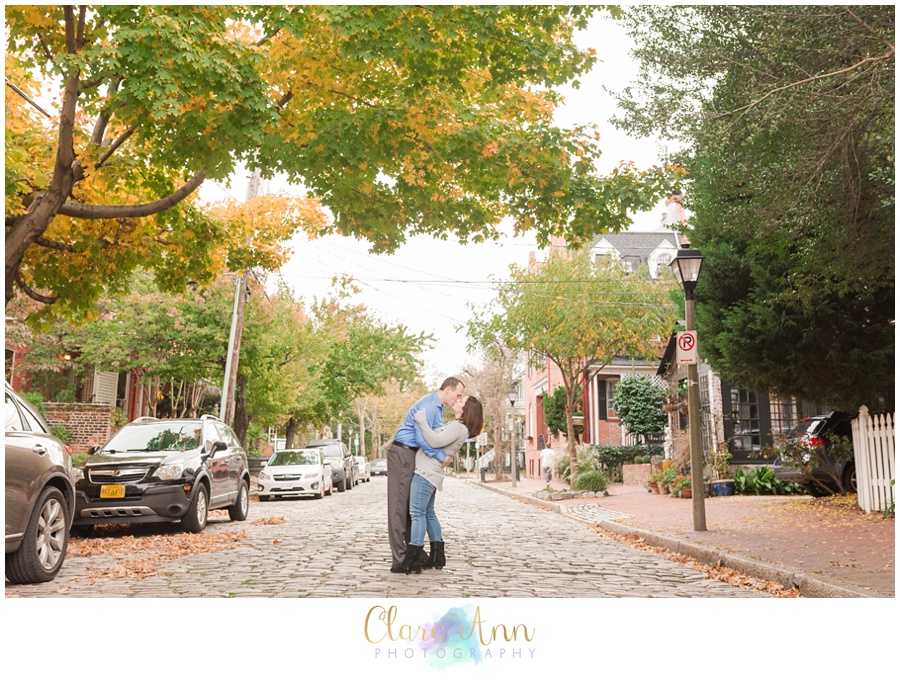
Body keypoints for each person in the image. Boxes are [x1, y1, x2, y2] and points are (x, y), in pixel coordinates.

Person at [387, 377, 465, 573]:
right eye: (458, 394)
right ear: (448, 389)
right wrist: (441, 457)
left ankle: (416, 555)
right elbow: (424, 439)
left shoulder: (438, 408)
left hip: (414, 455)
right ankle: (400, 560)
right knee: (399, 508)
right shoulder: (428, 406)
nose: (458, 398)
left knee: (414, 509)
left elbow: (438, 437)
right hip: (403, 452)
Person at [400, 395, 484, 574]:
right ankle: (438, 556)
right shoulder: (459, 427)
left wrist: (421, 421)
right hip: (431, 471)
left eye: (461, 401)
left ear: (466, 410)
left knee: (417, 513)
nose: (456, 401)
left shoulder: (458, 427)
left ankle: (412, 560)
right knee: (428, 513)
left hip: (425, 473)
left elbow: (435, 442)